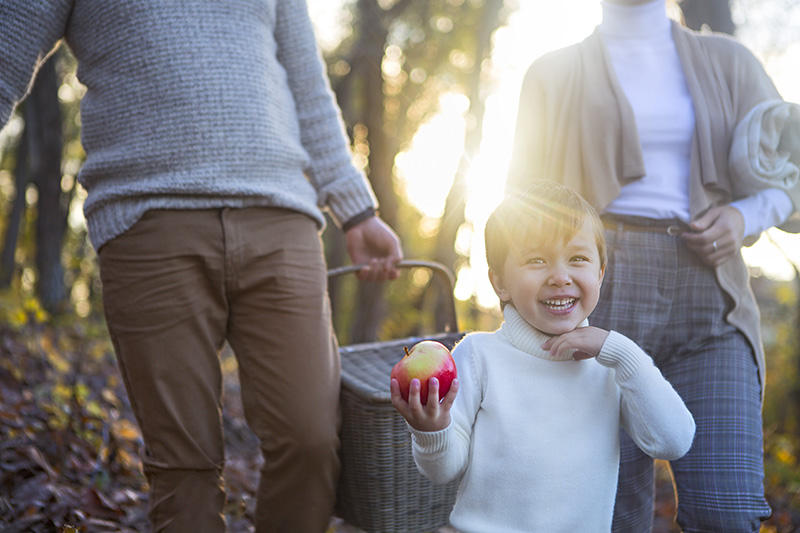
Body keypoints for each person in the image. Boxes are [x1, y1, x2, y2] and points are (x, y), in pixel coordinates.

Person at [0, 1, 403, 531]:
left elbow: (308, 89)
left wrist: (356, 209)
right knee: (184, 464)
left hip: (280, 219)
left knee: (311, 438)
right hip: (148, 223)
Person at [506, 0, 800, 531]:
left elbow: (793, 166)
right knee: (609, 514)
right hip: (594, 299)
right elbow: (519, 208)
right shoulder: (551, 72)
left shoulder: (729, 61)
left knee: (728, 513)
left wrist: (744, 214)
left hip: (711, 299)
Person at [390, 182, 696, 532]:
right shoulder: (478, 356)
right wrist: (431, 429)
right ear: (500, 282)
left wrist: (623, 354)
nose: (560, 277)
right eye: (536, 260)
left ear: (600, 273)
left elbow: (674, 440)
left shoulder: (610, 365)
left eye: (577, 259)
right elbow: (443, 470)